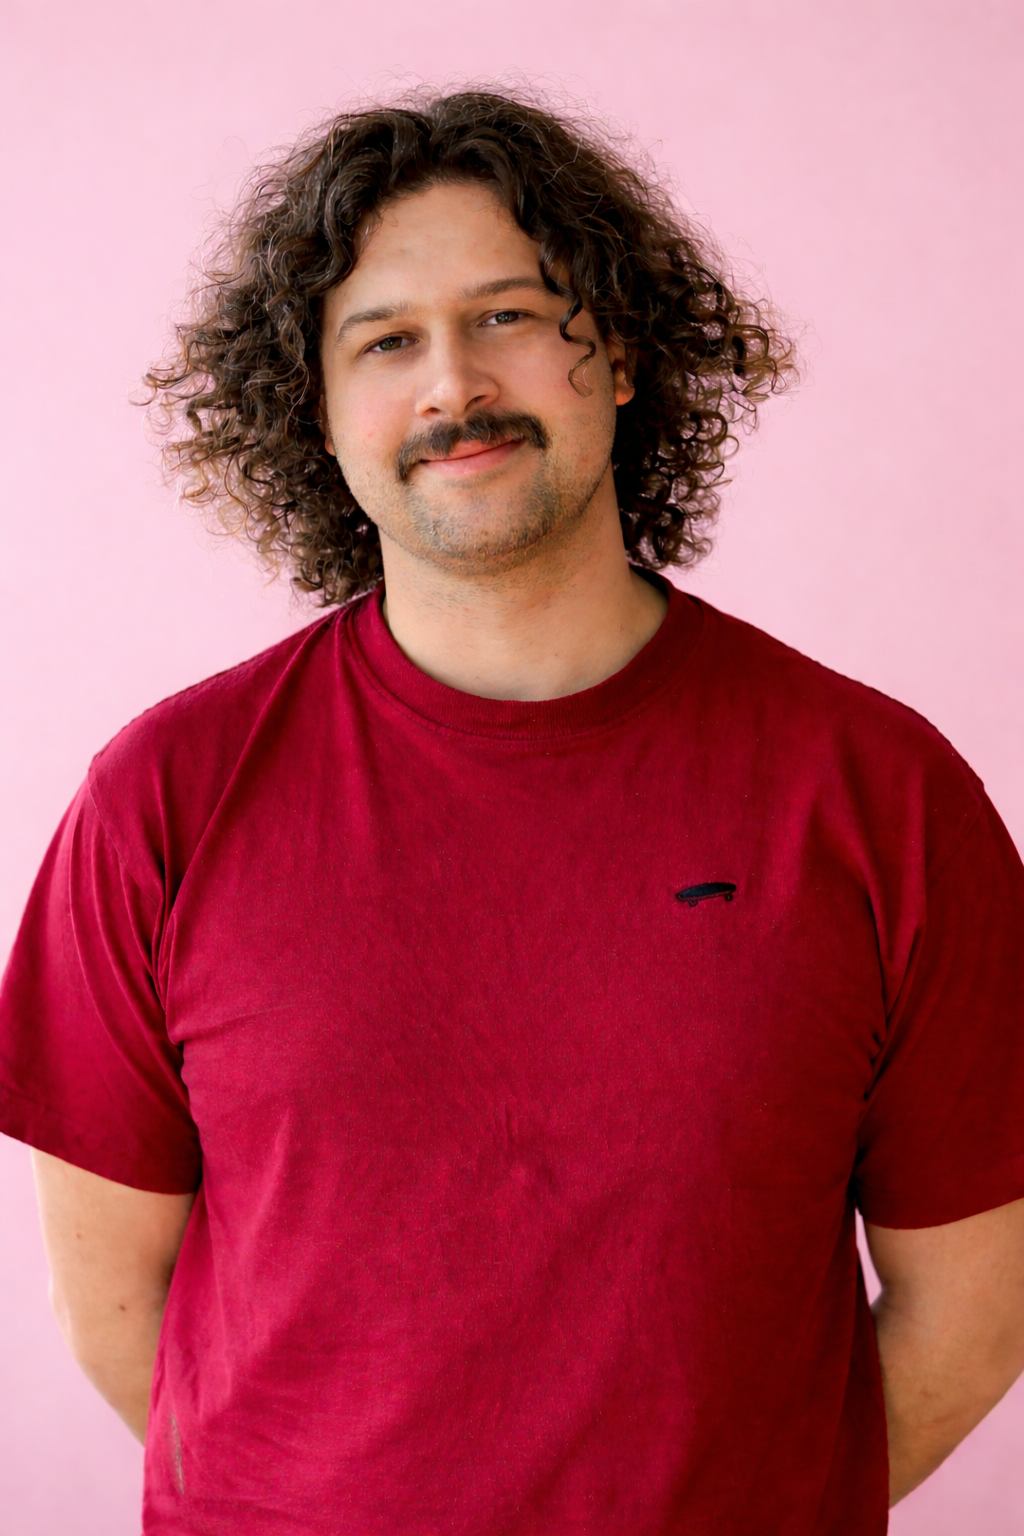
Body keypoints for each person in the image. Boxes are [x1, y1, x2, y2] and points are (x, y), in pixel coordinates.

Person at [1, 88, 1022, 1536]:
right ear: (317, 411)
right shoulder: (162, 799)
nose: (454, 385)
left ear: (623, 352)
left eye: (511, 315)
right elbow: (115, 1301)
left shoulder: (883, 795)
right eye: (385, 341)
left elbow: (972, 1306)